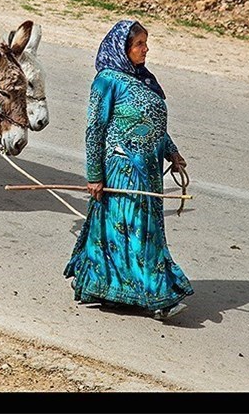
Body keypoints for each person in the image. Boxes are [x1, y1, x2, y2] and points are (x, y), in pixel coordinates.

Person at [64, 19, 194, 320]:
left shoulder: (144, 79)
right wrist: (95, 175)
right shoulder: (107, 81)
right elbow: (94, 129)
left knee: (126, 233)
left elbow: (153, 123)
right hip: (121, 172)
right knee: (138, 233)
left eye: (146, 43)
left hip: (147, 171)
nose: (145, 49)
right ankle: (159, 295)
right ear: (123, 48)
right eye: (139, 44)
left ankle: (110, 288)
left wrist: (172, 152)